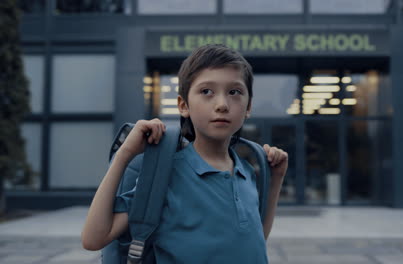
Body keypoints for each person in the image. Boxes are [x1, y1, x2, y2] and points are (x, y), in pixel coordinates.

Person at [81, 44, 288, 263]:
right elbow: (94, 238)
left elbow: (255, 242)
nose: (222, 104)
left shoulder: (246, 170)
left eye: (234, 92)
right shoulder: (165, 174)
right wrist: (124, 154)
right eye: (206, 91)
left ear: (248, 107)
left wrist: (275, 180)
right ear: (183, 105)